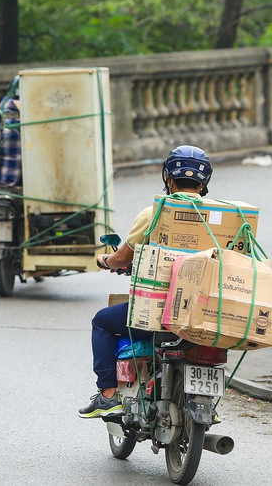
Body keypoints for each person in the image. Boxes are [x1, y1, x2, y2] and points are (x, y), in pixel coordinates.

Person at [78, 145, 212, 418]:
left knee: (102, 321)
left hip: (158, 313)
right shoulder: (222, 218)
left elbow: (123, 256)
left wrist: (106, 261)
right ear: (204, 182)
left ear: (168, 178)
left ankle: (107, 395)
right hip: (205, 314)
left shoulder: (154, 212)